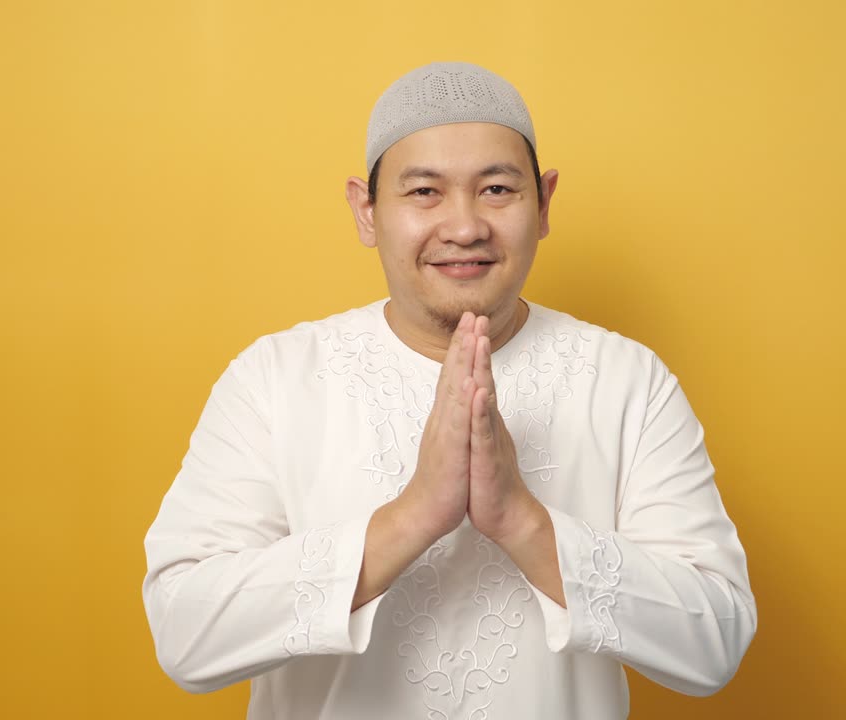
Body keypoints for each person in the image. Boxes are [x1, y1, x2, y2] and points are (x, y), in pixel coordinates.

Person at [141, 61, 756, 720]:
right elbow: (185, 633)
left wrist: (522, 521)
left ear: (543, 203)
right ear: (366, 210)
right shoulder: (275, 378)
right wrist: (411, 518)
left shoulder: (628, 381)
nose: (465, 227)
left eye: (496, 189)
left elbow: (715, 640)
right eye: (425, 192)